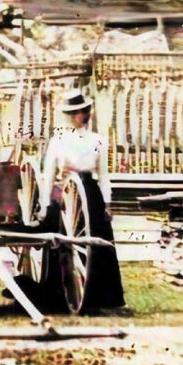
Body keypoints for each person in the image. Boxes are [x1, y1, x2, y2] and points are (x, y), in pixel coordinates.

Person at [36, 88, 124, 309]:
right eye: (73, 113)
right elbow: (48, 174)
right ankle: (57, 294)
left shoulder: (98, 141)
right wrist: (46, 203)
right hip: (64, 192)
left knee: (99, 244)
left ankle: (103, 297)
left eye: (82, 112)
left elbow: (104, 176)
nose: (78, 117)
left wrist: (107, 204)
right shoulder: (58, 140)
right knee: (59, 241)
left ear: (87, 113)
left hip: (90, 194)